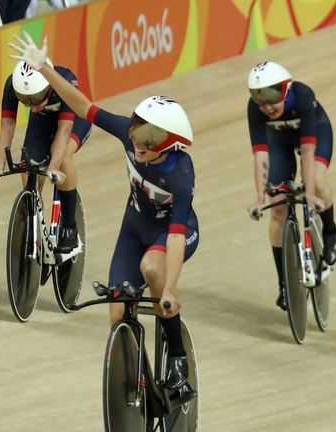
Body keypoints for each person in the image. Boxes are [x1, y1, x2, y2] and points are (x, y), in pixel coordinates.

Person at [10, 32, 199, 390]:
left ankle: (176, 354)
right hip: (134, 229)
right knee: (116, 314)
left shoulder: (180, 173)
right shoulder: (131, 137)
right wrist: (46, 70)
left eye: (149, 140)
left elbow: (175, 235)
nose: (138, 144)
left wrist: (171, 289)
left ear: (171, 144)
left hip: (172, 233)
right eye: (137, 133)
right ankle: (137, 385)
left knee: (152, 270)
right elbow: (84, 107)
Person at [246, 61, 336, 311]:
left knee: (318, 183)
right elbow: (260, 155)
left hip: (315, 134)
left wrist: (309, 194)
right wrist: (259, 197)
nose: (266, 105)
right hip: (278, 141)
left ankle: (331, 233)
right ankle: (284, 285)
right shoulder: (255, 109)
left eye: (272, 96)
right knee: (277, 207)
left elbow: (308, 150)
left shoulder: (302, 96)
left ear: (287, 89)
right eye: (259, 97)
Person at [0, 57, 90, 254]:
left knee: (63, 156)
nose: (32, 107)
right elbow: (7, 126)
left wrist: (52, 168)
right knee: (29, 167)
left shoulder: (63, 81)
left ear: (48, 86)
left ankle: (69, 227)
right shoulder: (12, 83)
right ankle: (36, 232)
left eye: (37, 98)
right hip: (41, 122)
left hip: (75, 120)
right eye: (27, 101)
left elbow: (64, 131)